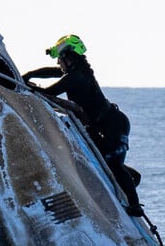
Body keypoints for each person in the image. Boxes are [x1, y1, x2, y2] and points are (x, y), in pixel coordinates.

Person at [22, 34, 144, 216]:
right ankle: (132, 177)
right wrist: (30, 75)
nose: (58, 64)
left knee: (113, 163)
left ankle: (135, 206)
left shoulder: (77, 77)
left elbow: (51, 92)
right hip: (104, 126)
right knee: (106, 160)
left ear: (68, 58)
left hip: (115, 125)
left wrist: (27, 85)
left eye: (60, 59)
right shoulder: (75, 73)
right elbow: (53, 73)